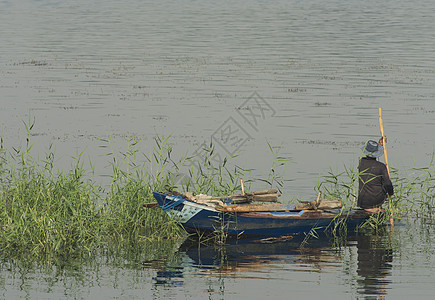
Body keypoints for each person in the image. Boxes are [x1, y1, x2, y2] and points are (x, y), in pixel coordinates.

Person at [357, 138, 394, 213]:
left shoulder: (361, 163)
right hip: (376, 200)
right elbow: (387, 183)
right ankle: (376, 210)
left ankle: (372, 209)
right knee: (384, 185)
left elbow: (371, 160)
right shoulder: (381, 166)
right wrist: (391, 193)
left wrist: (379, 145)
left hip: (362, 201)